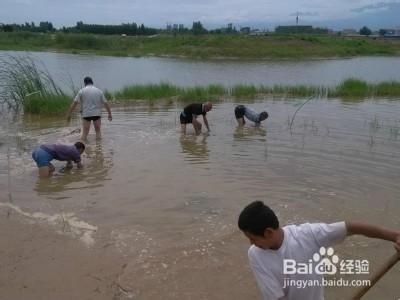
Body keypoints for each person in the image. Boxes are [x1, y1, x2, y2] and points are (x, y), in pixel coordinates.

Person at [238, 201, 400, 300]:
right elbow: (276, 297)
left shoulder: (307, 235)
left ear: (268, 232)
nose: (252, 243)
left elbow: (351, 227)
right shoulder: (256, 255)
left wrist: (395, 236)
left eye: (253, 238)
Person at [67, 76, 112, 141]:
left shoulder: (81, 91)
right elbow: (106, 103)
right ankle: (99, 148)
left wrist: (69, 114)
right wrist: (109, 114)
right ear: (92, 82)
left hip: (86, 114)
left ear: (85, 83)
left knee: (85, 133)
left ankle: (82, 148)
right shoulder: (99, 91)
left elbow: (74, 103)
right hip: (97, 114)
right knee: (98, 131)